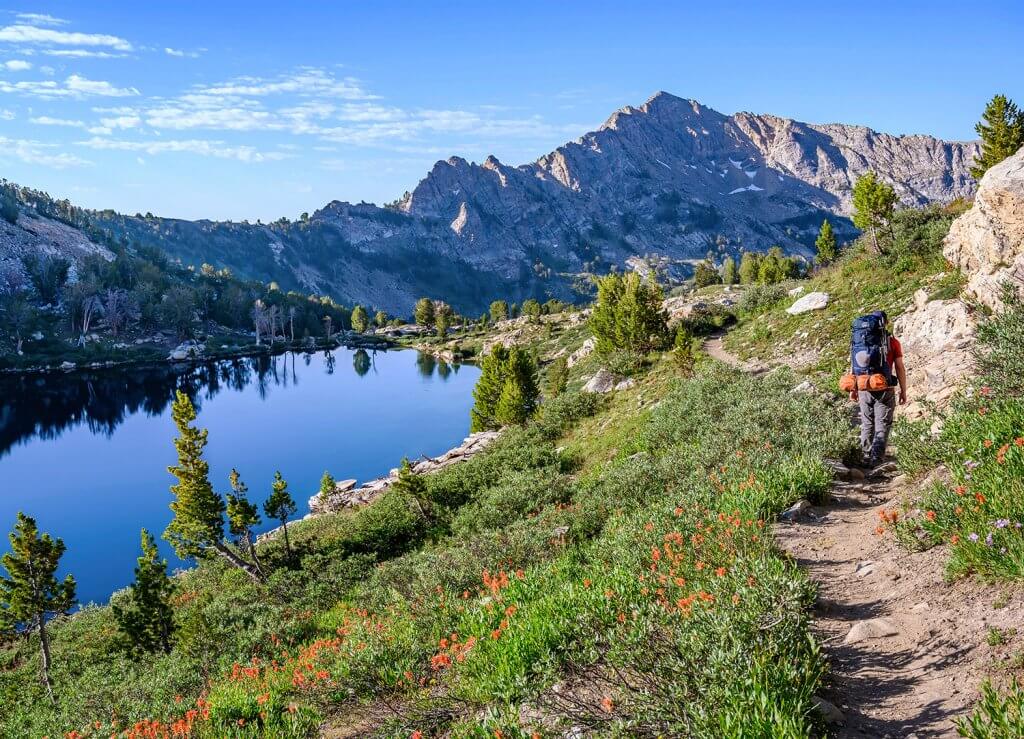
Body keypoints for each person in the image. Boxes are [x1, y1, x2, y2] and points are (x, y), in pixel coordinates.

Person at [849, 311, 907, 467]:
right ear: (885, 323)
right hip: (885, 387)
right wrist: (903, 390)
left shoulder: (859, 341)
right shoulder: (893, 343)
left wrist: (853, 388)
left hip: (863, 386)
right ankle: (876, 459)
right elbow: (900, 367)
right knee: (882, 423)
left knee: (867, 423)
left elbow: (853, 366)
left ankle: (864, 456)